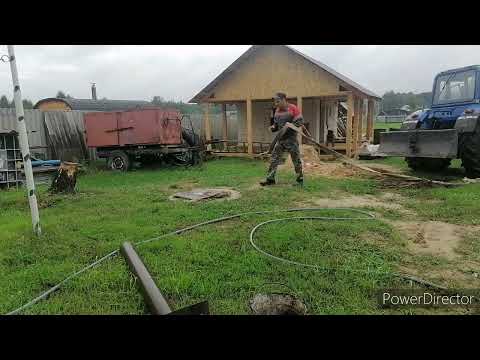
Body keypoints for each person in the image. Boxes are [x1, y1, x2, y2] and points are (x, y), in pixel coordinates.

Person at [260, 92, 304, 186]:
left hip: (291, 140)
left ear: (284, 99)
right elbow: (276, 126)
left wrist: (290, 125)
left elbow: (300, 121)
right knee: (274, 159)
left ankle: (299, 181)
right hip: (281, 140)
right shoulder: (277, 111)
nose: (276, 104)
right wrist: (273, 127)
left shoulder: (293, 108)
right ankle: (270, 179)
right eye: (275, 102)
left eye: (278, 101)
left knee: (296, 160)